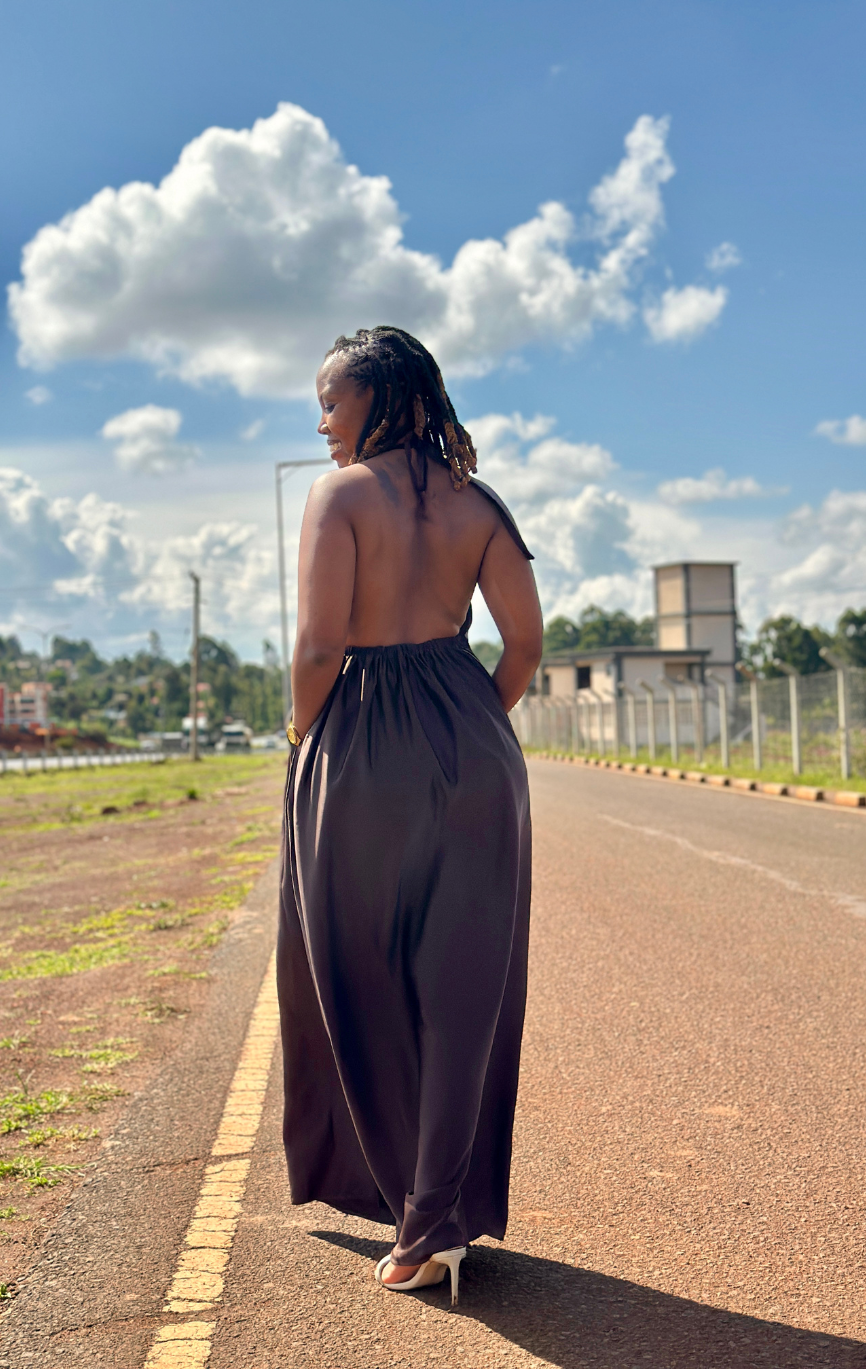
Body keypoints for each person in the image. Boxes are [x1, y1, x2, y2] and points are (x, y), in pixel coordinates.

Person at [278, 326, 543, 1307]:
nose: (320, 420)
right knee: (464, 994)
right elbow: (522, 644)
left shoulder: (337, 497)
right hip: (476, 743)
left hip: (358, 743)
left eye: (331, 402)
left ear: (379, 401)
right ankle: (432, 1219)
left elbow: (316, 648)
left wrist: (306, 738)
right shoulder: (479, 503)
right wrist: (469, 730)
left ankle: (404, 1206)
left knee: (354, 972)